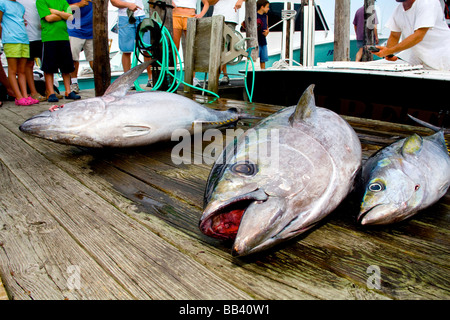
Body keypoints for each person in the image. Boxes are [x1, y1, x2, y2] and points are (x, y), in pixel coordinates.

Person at [373, 0, 450, 70]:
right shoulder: (398, 10)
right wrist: (389, 54)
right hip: (421, 62)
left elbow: (418, 36)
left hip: (443, 60)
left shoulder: (428, 2)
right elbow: (394, 35)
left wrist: (390, 50)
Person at [36, 0, 80, 102]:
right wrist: (63, 14)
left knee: (66, 67)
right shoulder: (41, 1)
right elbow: (48, 18)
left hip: (63, 37)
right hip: (49, 38)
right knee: (49, 68)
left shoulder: (63, 1)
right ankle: (51, 93)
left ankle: (68, 91)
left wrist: (55, 12)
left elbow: (71, 17)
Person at [0, 0, 39, 106]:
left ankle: (25, 95)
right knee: (13, 70)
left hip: (24, 40)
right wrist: (4, 37)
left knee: (22, 70)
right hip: (10, 40)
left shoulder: (20, 6)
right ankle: (18, 96)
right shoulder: (2, 3)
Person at [110, 0, 152, 88]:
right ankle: (127, 81)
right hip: (125, 17)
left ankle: (151, 79)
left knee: (147, 49)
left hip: (143, 15)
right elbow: (114, 2)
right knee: (126, 50)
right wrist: (128, 5)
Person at [172, 0, 209, 87]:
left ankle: (192, 78)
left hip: (190, 16)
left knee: (191, 48)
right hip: (175, 16)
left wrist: (200, 15)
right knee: (174, 48)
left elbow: (206, 3)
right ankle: (173, 77)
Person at [17, 0, 46, 102]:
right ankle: (33, 92)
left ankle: (49, 90)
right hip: (28, 36)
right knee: (29, 64)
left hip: (43, 34)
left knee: (46, 63)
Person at [212, 0, 244, 85]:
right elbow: (209, 2)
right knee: (219, 49)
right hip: (216, 18)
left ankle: (214, 79)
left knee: (225, 49)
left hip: (230, 18)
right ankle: (224, 75)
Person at [66, 0, 93, 94]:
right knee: (73, 59)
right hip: (74, 29)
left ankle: (101, 82)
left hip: (93, 30)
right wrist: (78, 4)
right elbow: (63, 8)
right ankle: (74, 83)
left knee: (94, 59)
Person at [256, 0, 269, 69]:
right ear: (262, 7)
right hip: (255, 41)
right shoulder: (254, 15)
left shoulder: (265, 16)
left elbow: (267, 27)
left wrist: (267, 31)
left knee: (263, 60)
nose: (268, 9)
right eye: (267, 7)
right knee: (255, 60)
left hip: (263, 40)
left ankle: (262, 75)